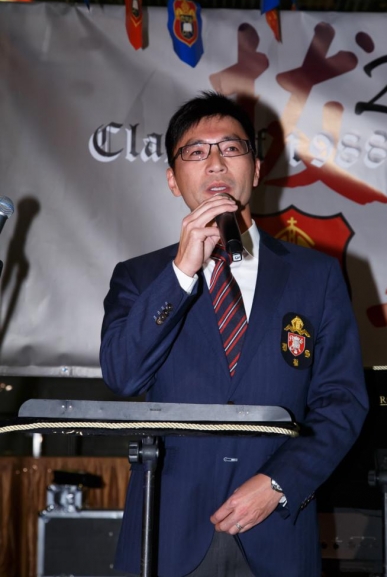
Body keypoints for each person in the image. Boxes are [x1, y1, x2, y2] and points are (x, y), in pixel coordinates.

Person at [100, 92, 368, 577]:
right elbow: (122, 375)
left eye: (231, 147)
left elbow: (341, 401)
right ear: (172, 179)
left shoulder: (316, 276)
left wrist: (279, 483)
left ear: (257, 169)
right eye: (195, 151)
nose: (216, 162)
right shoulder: (140, 278)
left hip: (278, 533)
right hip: (167, 532)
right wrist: (181, 272)